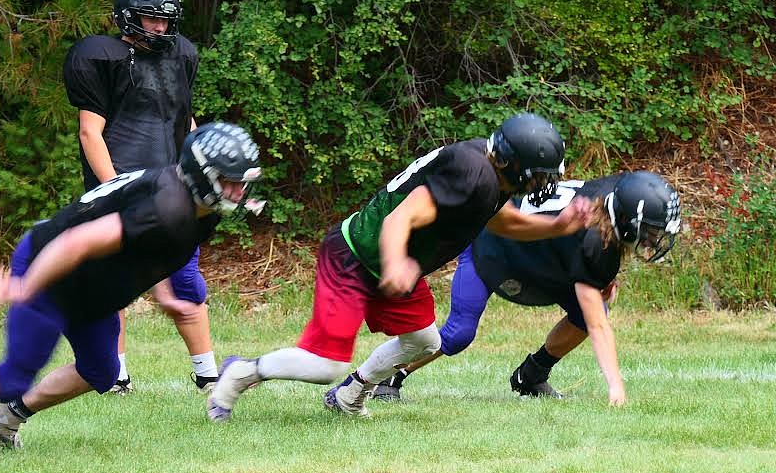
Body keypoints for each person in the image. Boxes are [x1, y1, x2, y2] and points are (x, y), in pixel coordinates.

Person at [0, 122, 261, 454]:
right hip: (55, 270)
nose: (238, 192)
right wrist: (27, 286)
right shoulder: (167, 207)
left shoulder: (196, 207)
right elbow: (79, 242)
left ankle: (3, 422)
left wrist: (163, 295)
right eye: (229, 182)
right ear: (202, 173)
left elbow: (155, 251)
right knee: (14, 376)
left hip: (91, 284)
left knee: (101, 370)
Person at [206, 112, 592, 423]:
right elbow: (400, 218)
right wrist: (396, 264)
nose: (544, 183)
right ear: (513, 164)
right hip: (358, 257)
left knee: (425, 341)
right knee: (325, 363)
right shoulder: (473, 173)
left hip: (389, 260)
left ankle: (350, 395)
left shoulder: (490, 175)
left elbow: (499, 220)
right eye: (540, 175)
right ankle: (240, 373)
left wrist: (555, 226)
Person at [372, 171, 682, 406]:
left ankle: (531, 376)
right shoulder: (594, 240)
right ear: (626, 220)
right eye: (650, 231)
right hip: (493, 245)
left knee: (586, 311)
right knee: (458, 333)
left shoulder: (614, 197)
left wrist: (602, 279)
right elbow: (599, 326)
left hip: (540, 255)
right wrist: (616, 387)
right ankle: (388, 375)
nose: (653, 239)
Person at [63, 0, 213, 396]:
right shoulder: (100, 57)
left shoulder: (181, 54)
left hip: (170, 189)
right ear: (128, 16)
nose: (160, 27)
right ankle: (117, 378)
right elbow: (90, 132)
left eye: (166, 20)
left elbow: (185, 119)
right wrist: (114, 191)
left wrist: (199, 168)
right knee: (115, 287)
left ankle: (208, 375)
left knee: (187, 283)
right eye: (151, 19)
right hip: (120, 182)